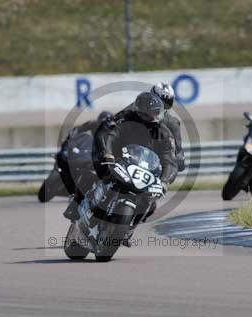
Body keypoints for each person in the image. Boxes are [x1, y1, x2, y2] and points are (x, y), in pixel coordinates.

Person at [63, 92, 178, 221]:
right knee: (91, 173)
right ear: (142, 112)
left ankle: (128, 230)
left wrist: (164, 181)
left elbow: (170, 161)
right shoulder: (124, 119)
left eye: (158, 112)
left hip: (142, 170)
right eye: (153, 112)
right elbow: (109, 135)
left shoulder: (164, 134)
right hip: (118, 161)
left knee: (150, 204)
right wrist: (107, 155)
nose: (156, 116)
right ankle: (75, 205)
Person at [115, 82, 186, 171]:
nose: (162, 105)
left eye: (167, 102)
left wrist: (175, 160)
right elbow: (116, 120)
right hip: (129, 155)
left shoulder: (172, 123)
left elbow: (178, 154)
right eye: (160, 101)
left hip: (154, 162)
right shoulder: (134, 108)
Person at [56, 111, 114, 194]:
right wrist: (72, 135)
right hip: (91, 148)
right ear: (98, 121)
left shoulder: (114, 130)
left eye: (105, 123)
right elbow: (79, 128)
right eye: (101, 122)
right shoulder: (92, 124)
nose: (103, 125)